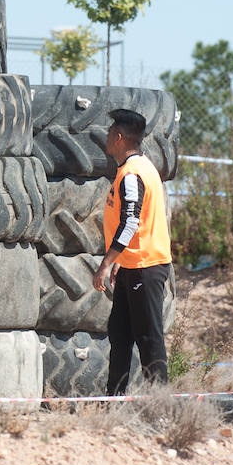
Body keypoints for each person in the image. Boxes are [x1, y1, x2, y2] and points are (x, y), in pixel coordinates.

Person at [92, 109, 172, 395]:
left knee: (149, 339)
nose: (108, 134)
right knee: (120, 335)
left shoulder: (133, 173)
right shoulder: (133, 169)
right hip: (132, 265)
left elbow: (130, 223)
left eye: (111, 129)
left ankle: (160, 406)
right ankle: (113, 402)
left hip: (145, 266)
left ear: (119, 137)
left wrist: (106, 263)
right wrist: (120, 263)